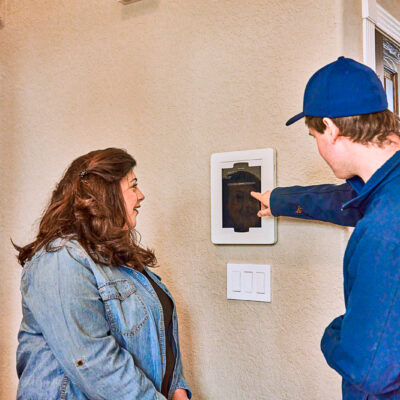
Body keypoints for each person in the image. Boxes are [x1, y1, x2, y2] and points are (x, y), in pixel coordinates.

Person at [252, 57, 400, 400]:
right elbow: (351, 199)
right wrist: (280, 201)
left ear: (331, 129)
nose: (317, 145)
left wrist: (335, 335)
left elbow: (370, 373)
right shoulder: (387, 186)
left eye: (313, 135)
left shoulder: (384, 232)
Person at [15, 148, 191, 400]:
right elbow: (92, 361)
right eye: (133, 186)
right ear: (106, 194)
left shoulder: (119, 259)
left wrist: (177, 388)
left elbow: (158, 335)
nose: (141, 196)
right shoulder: (60, 259)